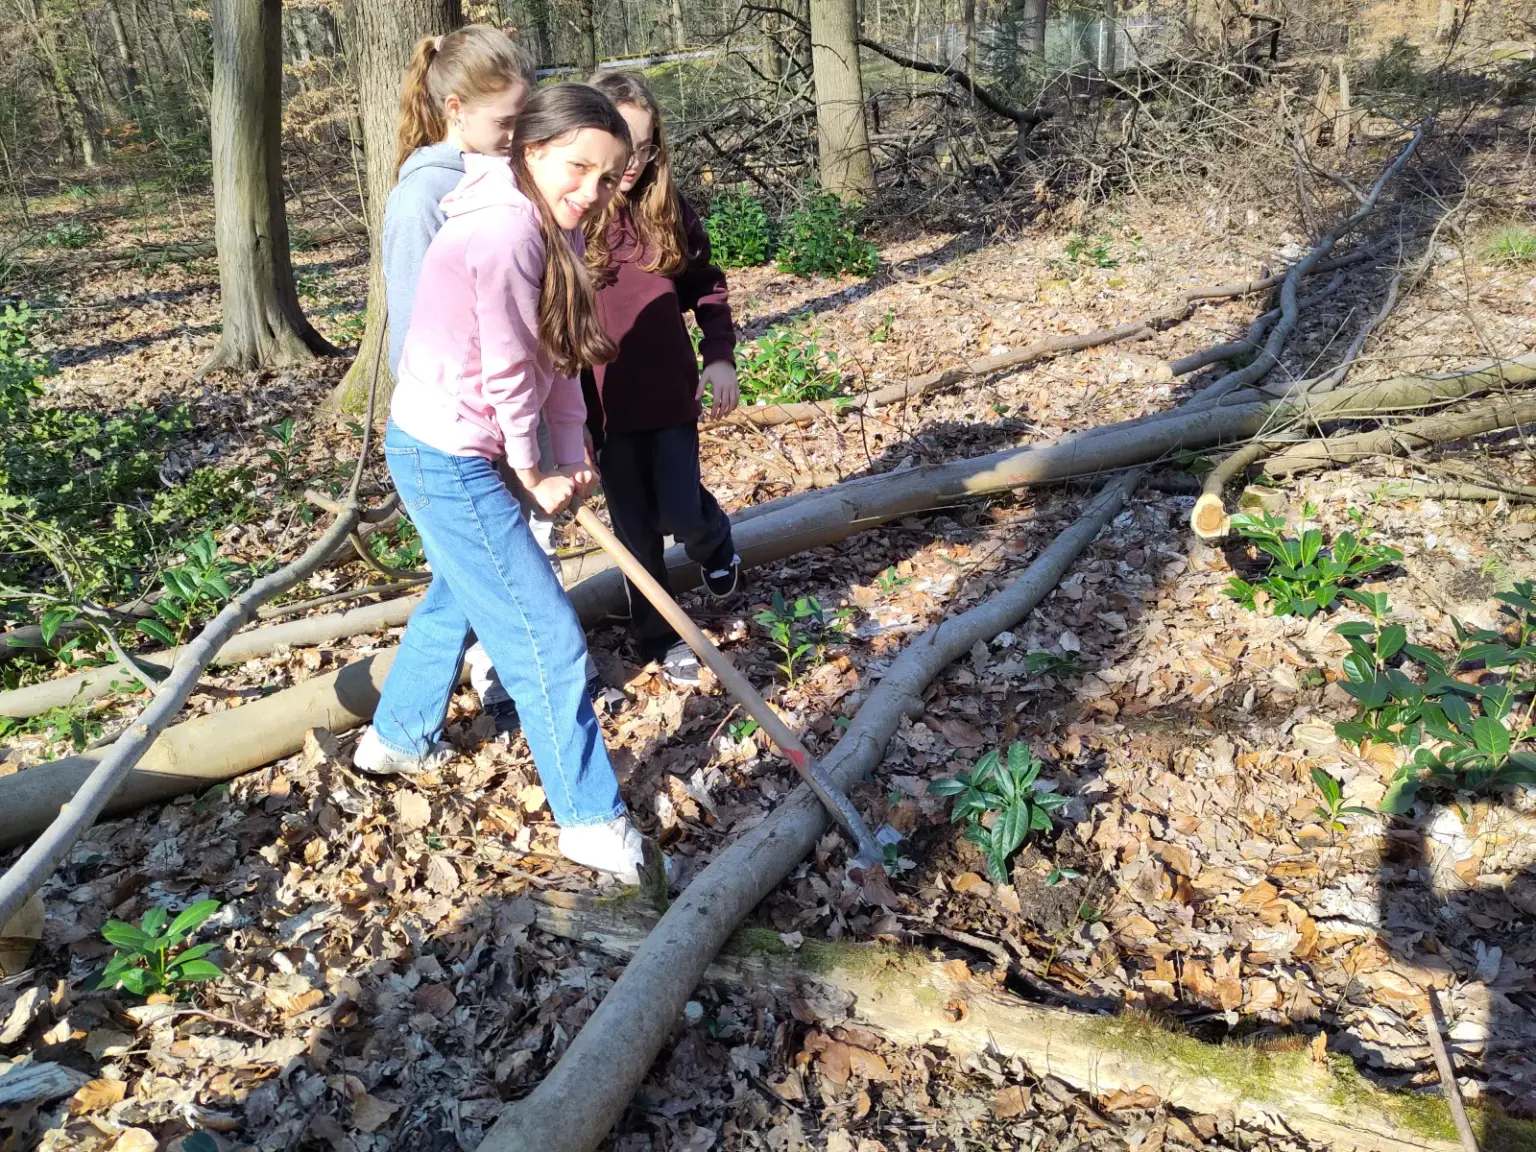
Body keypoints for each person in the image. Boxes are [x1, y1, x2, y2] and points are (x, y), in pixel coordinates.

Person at [354, 83, 651, 883]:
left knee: (459, 593)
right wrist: (533, 471)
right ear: (531, 151)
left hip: (454, 446)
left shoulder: (544, 227)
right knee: (545, 637)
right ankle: (590, 821)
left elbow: (556, 358)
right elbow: (511, 374)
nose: (589, 192)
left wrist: (569, 448)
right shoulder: (506, 232)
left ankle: (395, 737)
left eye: (608, 178)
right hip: (447, 453)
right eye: (577, 167)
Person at [381, 25, 589, 735]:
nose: (514, 139)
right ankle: (496, 689)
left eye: (521, 121)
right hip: (460, 430)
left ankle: (400, 732)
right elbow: (425, 337)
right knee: (497, 577)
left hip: (503, 422)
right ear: (454, 109)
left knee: (468, 581)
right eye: (504, 124)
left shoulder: (511, 183)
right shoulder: (424, 198)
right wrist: (500, 444)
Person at [581, 70, 743, 687]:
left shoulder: (667, 209)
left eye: (646, 149)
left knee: (681, 509)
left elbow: (707, 286)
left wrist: (719, 356)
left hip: (670, 398)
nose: (633, 163)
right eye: (625, 146)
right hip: (604, 410)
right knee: (635, 534)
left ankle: (717, 544)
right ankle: (658, 635)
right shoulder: (569, 219)